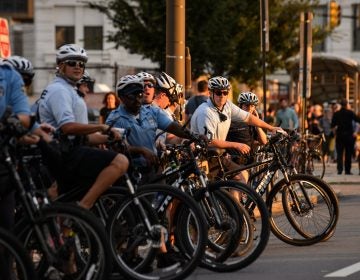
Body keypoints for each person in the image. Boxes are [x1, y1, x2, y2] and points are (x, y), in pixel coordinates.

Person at [37, 43, 129, 209]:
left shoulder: (70, 90)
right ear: (61, 65)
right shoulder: (59, 90)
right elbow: (68, 128)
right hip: (64, 153)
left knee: (64, 206)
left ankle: (70, 216)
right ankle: (84, 207)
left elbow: (84, 136)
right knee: (120, 162)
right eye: (72, 63)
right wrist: (101, 127)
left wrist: (109, 137)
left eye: (81, 64)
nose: (78, 67)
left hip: (71, 150)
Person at [190, 76, 284, 184]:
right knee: (232, 182)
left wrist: (271, 128)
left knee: (242, 177)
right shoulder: (205, 112)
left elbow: (248, 118)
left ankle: (233, 201)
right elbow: (209, 141)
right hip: (204, 157)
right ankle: (230, 201)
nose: (222, 96)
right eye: (218, 93)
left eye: (225, 93)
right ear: (210, 93)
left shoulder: (227, 106)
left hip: (217, 156)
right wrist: (236, 145)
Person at [331, 99, 360, 175]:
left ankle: (339, 170)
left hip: (340, 135)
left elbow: (332, 126)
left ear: (340, 105)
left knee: (339, 154)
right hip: (349, 136)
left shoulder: (336, 114)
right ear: (347, 105)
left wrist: (335, 134)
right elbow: (357, 120)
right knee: (348, 154)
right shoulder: (350, 113)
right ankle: (347, 170)